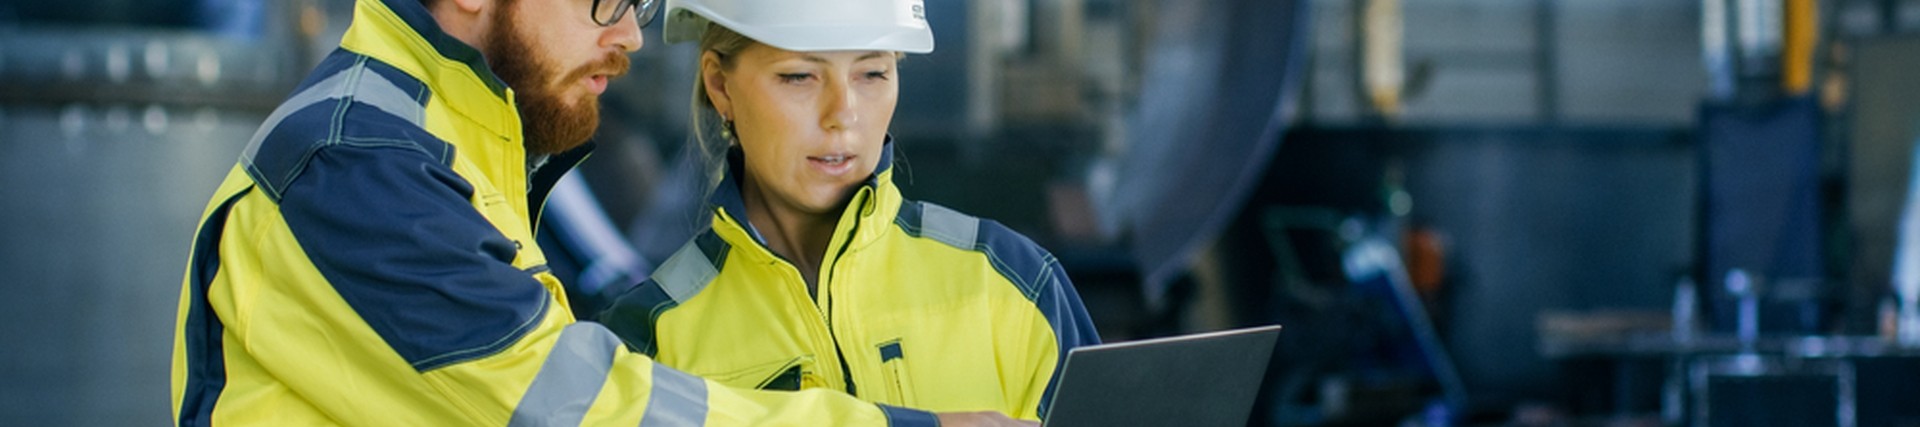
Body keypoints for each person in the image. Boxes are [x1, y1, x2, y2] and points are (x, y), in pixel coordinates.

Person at [170, 0, 1031, 425]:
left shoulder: (455, 147)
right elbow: (581, 413)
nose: (627, 36)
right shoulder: (356, 165)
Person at [595, 0, 1102, 421]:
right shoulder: (650, 340)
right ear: (720, 85)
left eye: (873, 72)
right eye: (799, 77)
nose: (844, 115)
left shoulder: (1014, 283)